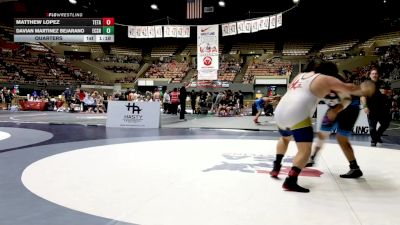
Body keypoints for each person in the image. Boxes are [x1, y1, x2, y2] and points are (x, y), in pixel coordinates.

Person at [269, 61, 375, 193]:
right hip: (298, 113)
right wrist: (364, 88)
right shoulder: (326, 79)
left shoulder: (300, 75)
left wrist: (336, 109)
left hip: (279, 112)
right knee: (304, 150)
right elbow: (350, 89)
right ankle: (291, 180)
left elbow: (346, 98)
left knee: (285, 138)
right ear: (331, 73)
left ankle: (276, 166)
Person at [307, 73, 364, 179]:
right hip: (335, 107)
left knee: (341, 138)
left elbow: (347, 99)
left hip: (350, 109)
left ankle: (355, 168)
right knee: (322, 133)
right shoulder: (317, 85)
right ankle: (312, 158)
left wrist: (336, 110)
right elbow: (314, 101)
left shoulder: (337, 83)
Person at [361, 68, 391, 147]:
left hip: (383, 109)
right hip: (371, 109)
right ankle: (374, 140)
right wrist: (365, 106)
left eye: (376, 73)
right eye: (373, 73)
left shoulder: (383, 83)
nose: (374, 75)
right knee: (372, 127)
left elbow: (391, 92)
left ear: (378, 75)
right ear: (370, 75)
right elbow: (362, 96)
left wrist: (386, 92)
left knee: (385, 124)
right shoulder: (366, 84)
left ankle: (376, 137)